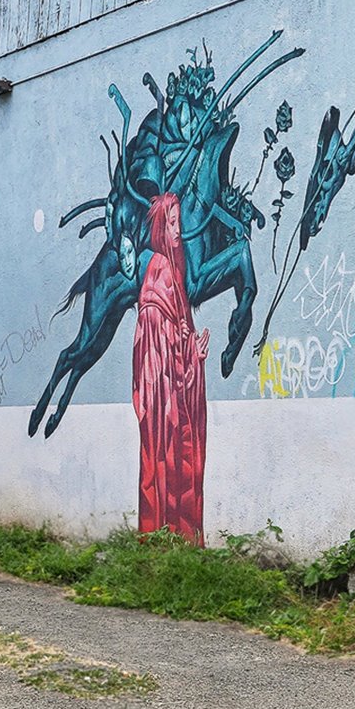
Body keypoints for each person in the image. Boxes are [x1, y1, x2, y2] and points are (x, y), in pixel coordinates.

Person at [133, 193, 209, 539]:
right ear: (161, 227)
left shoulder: (175, 280)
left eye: (179, 222)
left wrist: (194, 353)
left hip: (174, 403)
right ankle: (164, 540)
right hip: (164, 414)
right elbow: (154, 362)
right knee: (165, 469)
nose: (178, 231)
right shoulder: (159, 275)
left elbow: (178, 355)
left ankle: (178, 542)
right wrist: (181, 349)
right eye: (172, 223)